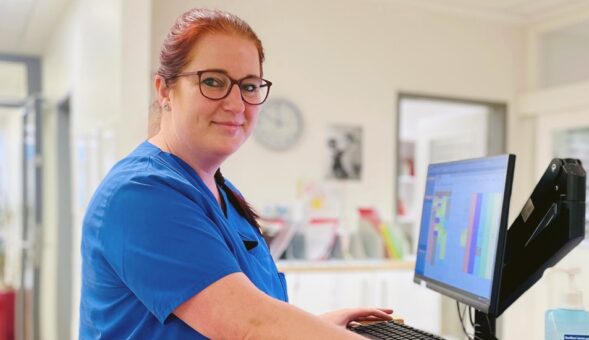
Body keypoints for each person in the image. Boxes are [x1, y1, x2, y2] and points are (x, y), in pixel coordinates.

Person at [80, 8, 392, 339]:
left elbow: (247, 311)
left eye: (249, 86)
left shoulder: (223, 193)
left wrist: (319, 326)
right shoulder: (140, 195)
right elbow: (249, 328)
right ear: (164, 90)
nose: (236, 104)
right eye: (213, 81)